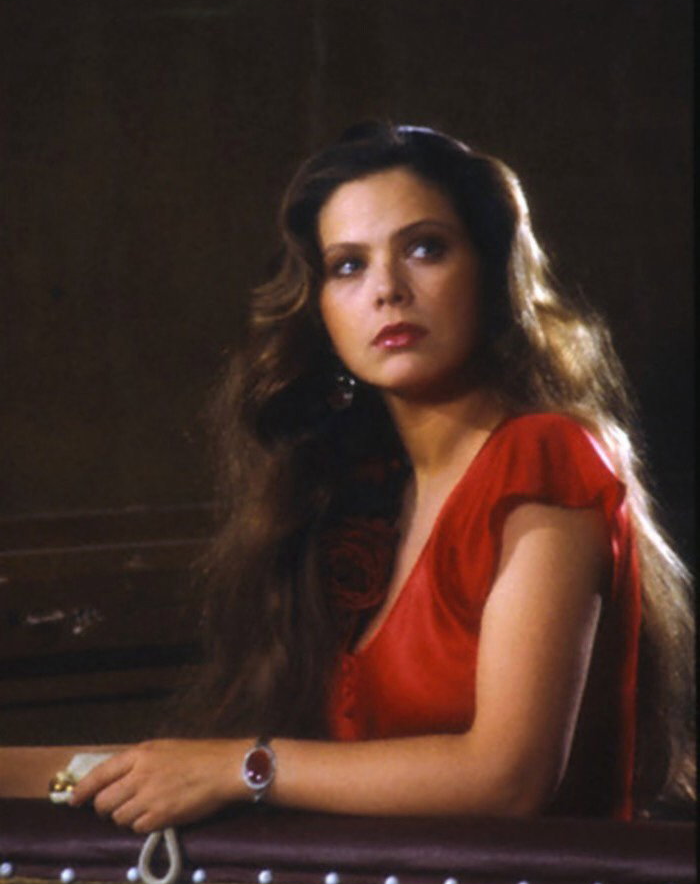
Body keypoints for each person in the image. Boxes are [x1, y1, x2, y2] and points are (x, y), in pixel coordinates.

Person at [1, 122, 694, 831]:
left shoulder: (545, 457)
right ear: (320, 310)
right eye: (348, 266)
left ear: (490, 271)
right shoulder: (358, 497)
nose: (387, 290)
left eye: (425, 248)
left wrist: (243, 767)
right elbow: (200, 768)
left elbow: (508, 779)